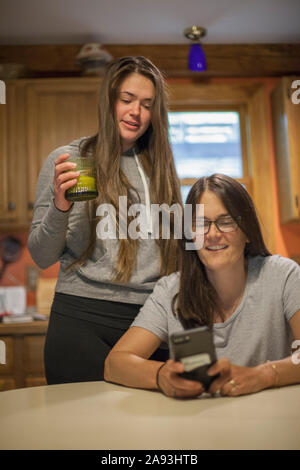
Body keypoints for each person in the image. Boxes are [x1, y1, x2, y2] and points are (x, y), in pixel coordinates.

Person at [28, 56, 182, 384]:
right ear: (109, 101)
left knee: (152, 431)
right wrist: (60, 205)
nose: (135, 112)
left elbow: (176, 257)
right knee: (81, 431)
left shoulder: (163, 171)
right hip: (80, 318)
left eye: (146, 104)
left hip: (150, 323)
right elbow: (42, 257)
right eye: (126, 100)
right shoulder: (70, 160)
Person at [104, 174, 300, 398]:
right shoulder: (170, 290)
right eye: (200, 224)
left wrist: (265, 374)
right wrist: (160, 375)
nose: (213, 234)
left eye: (226, 222)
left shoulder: (283, 276)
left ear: (247, 231)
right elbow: (114, 364)